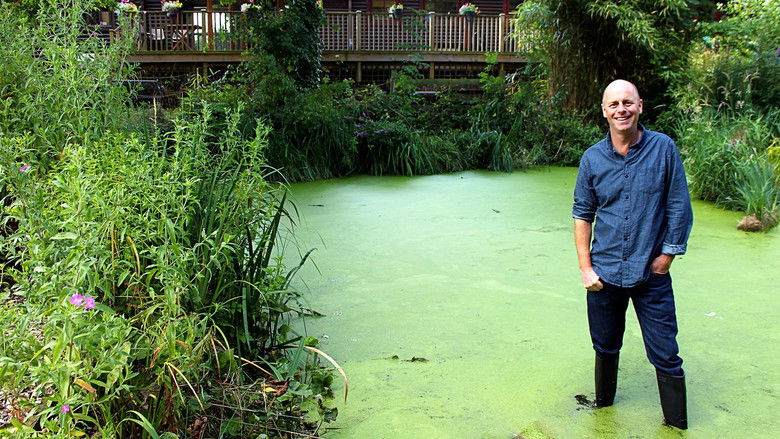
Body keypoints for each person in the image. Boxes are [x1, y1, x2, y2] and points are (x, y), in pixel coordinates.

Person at [572, 79, 693, 430]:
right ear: (604, 111)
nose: (621, 109)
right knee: (605, 346)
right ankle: (603, 406)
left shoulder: (663, 149)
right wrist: (586, 269)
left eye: (628, 102)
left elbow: (679, 206)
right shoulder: (592, 158)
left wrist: (666, 258)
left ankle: (676, 425)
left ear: (640, 106)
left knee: (666, 354)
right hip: (604, 274)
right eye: (614, 104)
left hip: (650, 274)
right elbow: (582, 214)